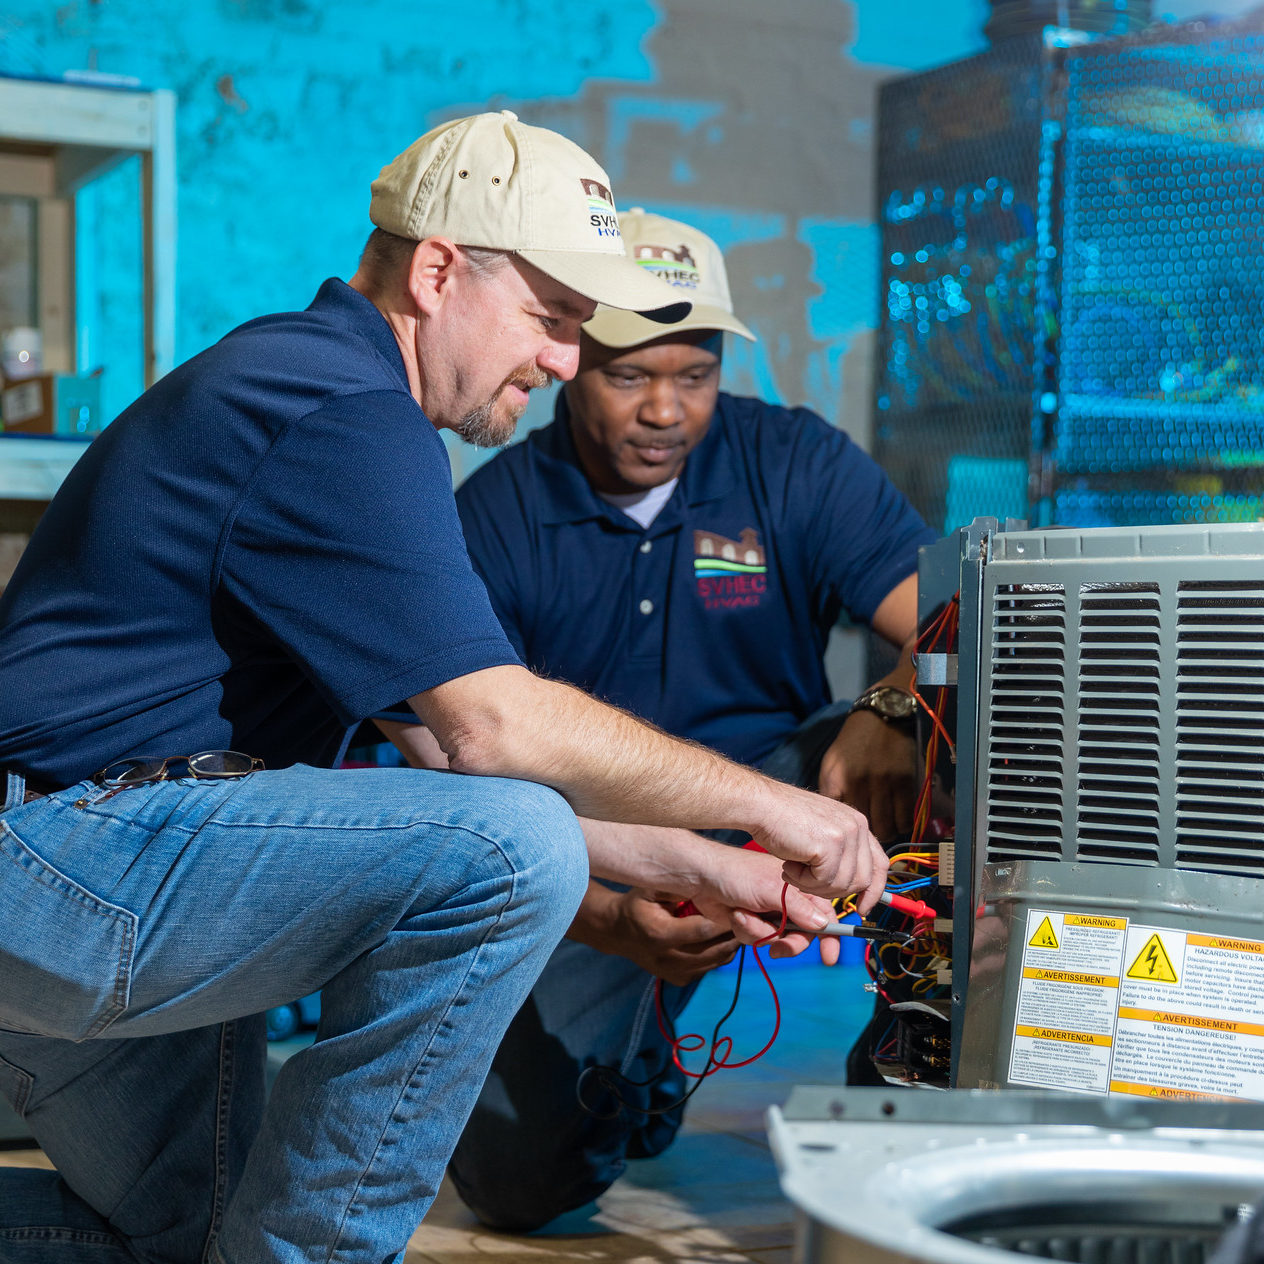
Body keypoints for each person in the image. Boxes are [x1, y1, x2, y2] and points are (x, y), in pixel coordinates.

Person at [0, 117, 887, 1264]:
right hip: (67, 865)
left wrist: (716, 868)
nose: (567, 359)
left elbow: (425, 751)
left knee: (185, 1239)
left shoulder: (324, 395)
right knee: (516, 841)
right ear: (437, 271)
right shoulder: (339, 408)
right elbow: (489, 737)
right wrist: (779, 808)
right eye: (554, 317)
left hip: (103, 868)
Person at [441, 208, 937, 1231]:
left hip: (785, 793)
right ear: (570, 355)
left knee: (956, 734)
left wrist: (892, 703)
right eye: (630, 376)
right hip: (605, 842)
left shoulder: (791, 463)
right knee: (517, 1184)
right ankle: (639, 1060)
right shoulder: (496, 517)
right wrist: (608, 912)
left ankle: (910, 1070)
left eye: (695, 374)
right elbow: (458, 765)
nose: (666, 408)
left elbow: (946, 620)